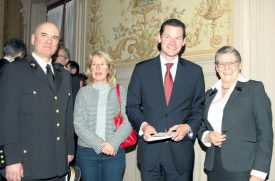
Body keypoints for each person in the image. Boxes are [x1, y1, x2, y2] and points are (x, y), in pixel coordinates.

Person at [126, 18, 205, 181]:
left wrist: (188, 127)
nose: (172, 42)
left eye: (178, 38)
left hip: (181, 156)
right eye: (168, 36)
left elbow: (199, 108)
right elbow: (132, 106)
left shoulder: (195, 72)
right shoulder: (141, 70)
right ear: (159, 37)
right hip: (149, 155)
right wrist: (143, 125)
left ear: (184, 41)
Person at [0, 22, 75, 181]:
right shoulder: (15, 70)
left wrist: (69, 149)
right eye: (44, 35)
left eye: (54, 38)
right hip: (27, 164)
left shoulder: (65, 75)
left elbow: (67, 115)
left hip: (57, 161)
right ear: (33, 39)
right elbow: (7, 118)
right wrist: (12, 159)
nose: (49, 41)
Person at [197, 46, 273, 181]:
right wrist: (207, 136)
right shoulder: (209, 94)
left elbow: (265, 132)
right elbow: (201, 124)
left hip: (244, 168)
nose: (227, 67)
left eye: (232, 63)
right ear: (216, 67)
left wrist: (259, 172)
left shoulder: (254, 89)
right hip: (214, 166)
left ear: (239, 66)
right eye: (222, 63)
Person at [74, 51, 132, 181]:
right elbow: (78, 124)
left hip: (114, 153)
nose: (98, 68)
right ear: (90, 69)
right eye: (94, 64)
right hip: (87, 154)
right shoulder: (82, 93)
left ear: (109, 68)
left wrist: (112, 143)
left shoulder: (120, 90)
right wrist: (101, 144)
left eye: (102, 64)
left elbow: (128, 121)